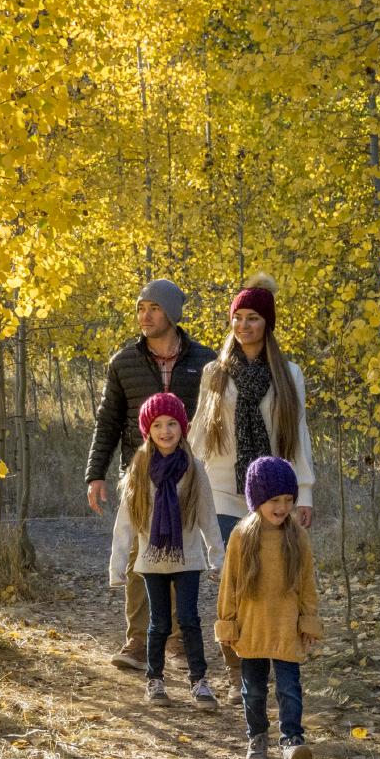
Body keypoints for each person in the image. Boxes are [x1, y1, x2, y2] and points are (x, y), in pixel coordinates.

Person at [84, 278, 218, 671]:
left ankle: (176, 639)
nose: (145, 316)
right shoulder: (123, 362)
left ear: (172, 313)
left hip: (188, 475)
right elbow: (106, 422)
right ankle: (138, 642)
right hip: (140, 474)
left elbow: (214, 421)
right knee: (138, 557)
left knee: (182, 551)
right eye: (141, 308)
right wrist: (96, 473)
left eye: (154, 308)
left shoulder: (205, 361)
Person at [107, 392, 222, 709]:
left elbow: (207, 517)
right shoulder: (140, 469)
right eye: (157, 425)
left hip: (188, 559)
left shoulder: (194, 469)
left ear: (182, 427)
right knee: (157, 623)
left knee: (189, 620)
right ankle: (155, 680)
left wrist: (218, 558)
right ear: (148, 430)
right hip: (151, 561)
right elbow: (126, 523)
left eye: (172, 423)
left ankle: (199, 682)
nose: (166, 431)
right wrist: (117, 567)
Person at [215, 456, 323, 759]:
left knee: (290, 688)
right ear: (258, 499)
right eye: (274, 500)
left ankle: (292, 741)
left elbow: (306, 582)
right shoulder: (241, 535)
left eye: (288, 499)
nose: (282, 506)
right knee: (254, 690)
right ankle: (257, 737)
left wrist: (308, 619)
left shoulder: (297, 536)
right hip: (252, 626)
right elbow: (229, 583)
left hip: (287, 626)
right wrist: (228, 622)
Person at [189, 275, 316, 541]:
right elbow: (199, 431)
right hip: (221, 489)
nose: (243, 325)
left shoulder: (290, 375)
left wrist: (304, 492)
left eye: (253, 318)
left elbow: (299, 435)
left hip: (274, 492)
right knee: (229, 572)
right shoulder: (215, 373)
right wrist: (184, 481)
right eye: (238, 316)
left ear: (267, 323)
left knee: (267, 574)